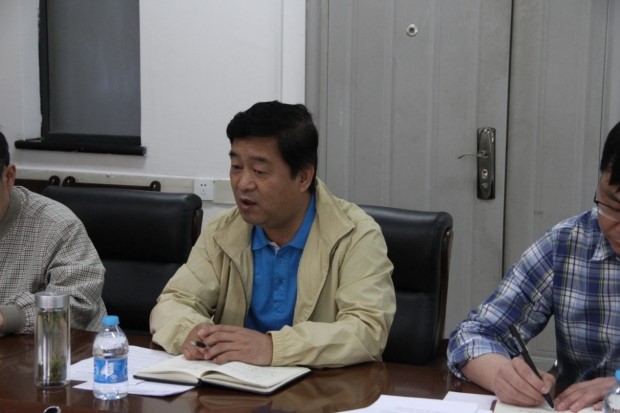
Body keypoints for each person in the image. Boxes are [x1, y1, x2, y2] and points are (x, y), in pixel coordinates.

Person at [150, 101, 396, 368]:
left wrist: (272, 347)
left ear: (303, 177)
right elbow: (173, 301)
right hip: (233, 385)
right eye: (236, 167)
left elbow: (367, 330)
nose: (243, 183)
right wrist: (193, 332)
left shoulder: (355, 235)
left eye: (260, 171)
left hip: (321, 388)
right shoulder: (222, 231)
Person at [447, 121, 620, 412]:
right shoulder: (567, 244)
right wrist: (502, 375)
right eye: (612, 205)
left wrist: (617, 387)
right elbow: (474, 334)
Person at [0, 131, 107, 334]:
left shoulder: (58, 225)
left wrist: (8, 317)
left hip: (63, 347)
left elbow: (78, 302)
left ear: (9, 177)